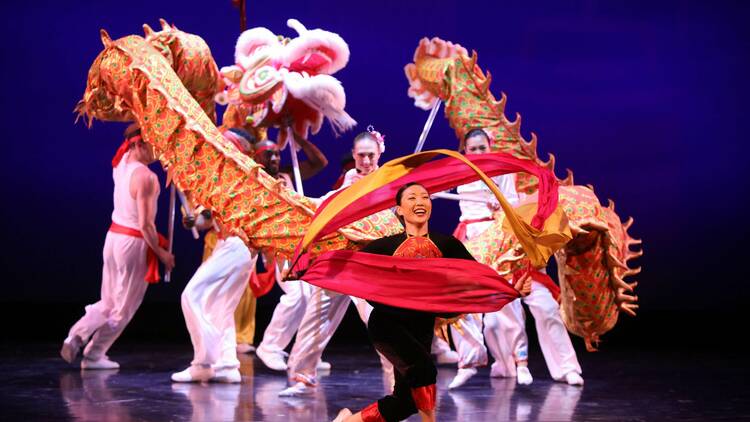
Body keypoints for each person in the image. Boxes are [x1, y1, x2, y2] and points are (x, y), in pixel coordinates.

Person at [333, 182, 529, 422]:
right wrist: (307, 268)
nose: (420, 202)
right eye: (412, 198)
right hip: (387, 325)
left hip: (421, 328)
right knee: (424, 371)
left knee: (405, 403)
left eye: (425, 197)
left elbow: (479, 277)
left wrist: (511, 290)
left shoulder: (447, 245)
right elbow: (350, 268)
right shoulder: (385, 246)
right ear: (400, 210)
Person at [458, 129, 585, 386]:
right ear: (466, 151)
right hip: (481, 248)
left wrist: (502, 211)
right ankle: (504, 365)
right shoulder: (461, 177)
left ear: (490, 146)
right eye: (473, 149)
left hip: (512, 246)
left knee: (546, 308)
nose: (479, 153)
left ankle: (566, 367)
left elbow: (516, 208)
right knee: (492, 318)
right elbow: (469, 218)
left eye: (483, 148)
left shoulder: (505, 172)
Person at [280, 128, 395, 397]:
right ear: (354, 155)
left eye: (371, 156)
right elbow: (325, 205)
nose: (366, 161)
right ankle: (302, 376)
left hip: (370, 263)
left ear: (379, 154)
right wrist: (299, 203)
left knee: (382, 323)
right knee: (317, 314)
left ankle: (398, 385)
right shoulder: (348, 182)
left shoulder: (388, 181)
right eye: (361, 156)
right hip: (343, 259)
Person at [60, 125, 175, 369]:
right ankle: (93, 355)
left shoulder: (121, 162)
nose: (158, 151)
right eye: (155, 145)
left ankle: (76, 334)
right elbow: (145, 224)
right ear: (139, 144)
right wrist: (162, 253)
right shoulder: (146, 177)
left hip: (113, 238)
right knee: (123, 308)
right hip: (133, 243)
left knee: (108, 300)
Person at [171, 128, 259, 383]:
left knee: (192, 295)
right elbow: (206, 219)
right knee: (222, 307)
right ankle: (228, 366)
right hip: (238, 248)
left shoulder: (236, 177)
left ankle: (203, 361)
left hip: (236, 245)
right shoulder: (233, 176)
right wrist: (193, 220)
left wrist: (200, 216)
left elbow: (210, 214)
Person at [254, 130, 330, 371]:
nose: (275, 159)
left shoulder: (288, 175)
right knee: (297, 295)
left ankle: (306, 354)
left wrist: (296, 138)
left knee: (312, 299)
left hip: (302, 244)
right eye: (269, 155)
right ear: (257, 159)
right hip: (279, 247)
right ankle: (270, 347)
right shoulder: (256, 183)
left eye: (277, 154)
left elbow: (320, 162)